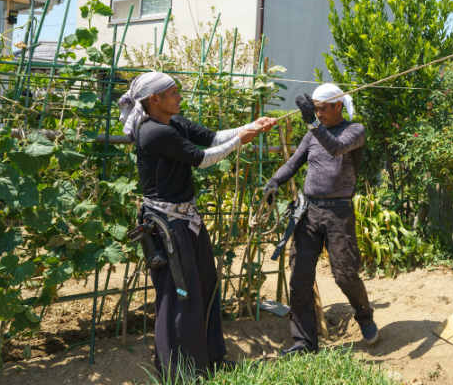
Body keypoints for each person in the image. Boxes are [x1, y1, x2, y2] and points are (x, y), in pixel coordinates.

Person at [119, 71, 275, 377]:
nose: (179, 97)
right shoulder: (153, 132)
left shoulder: (173, 123)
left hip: (185, 220)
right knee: (178, 293)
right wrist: (240, 140)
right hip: (166, 224)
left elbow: (212, 137)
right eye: (173, 93)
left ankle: (212, 359)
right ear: (155, 99)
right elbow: (202, 158)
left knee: (205, 284)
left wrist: (250, 127)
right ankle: (179, 372)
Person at [263, 83, 378, 357]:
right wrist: (275, 181)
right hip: (309, 211)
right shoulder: (312, 134)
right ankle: (304, 342)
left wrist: (313, 123)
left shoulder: (354, 131)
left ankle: (364, 316)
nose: (317, 114)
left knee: (345, 274)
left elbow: (336, 148)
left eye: (321, 109)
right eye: (314, 109)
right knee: (300, 276)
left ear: (338, 106)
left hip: (339, 213)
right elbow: (293, 163)